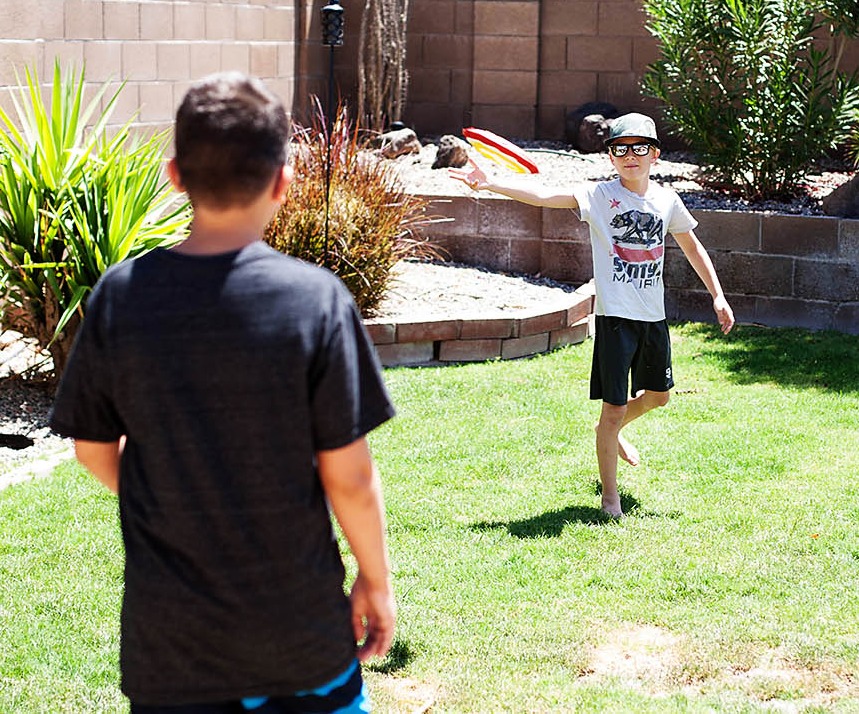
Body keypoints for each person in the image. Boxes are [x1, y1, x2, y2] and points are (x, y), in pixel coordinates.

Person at [50, 72, 396, 713]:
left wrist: (169, 490)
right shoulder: (317, 303)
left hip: (173, 655)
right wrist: (375, 580)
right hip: (303, 642)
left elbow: (92, 448)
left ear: (175, 175)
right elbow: (348, 477)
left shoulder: (120, 298)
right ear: (284, 184)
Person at [449, 112, 734, 517]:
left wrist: (718, 296)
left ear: (655, 155)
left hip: (652, 319)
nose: (630, 155)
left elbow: (692, 248)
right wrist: (491, 183)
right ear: (611, 157)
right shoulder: (600, 197)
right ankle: (610, 498)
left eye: (639, 148)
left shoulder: (667, 201)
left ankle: (609, 432)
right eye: (620, 149)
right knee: (614, 407)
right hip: (615, 320)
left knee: (659, 396)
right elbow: (545, 196)